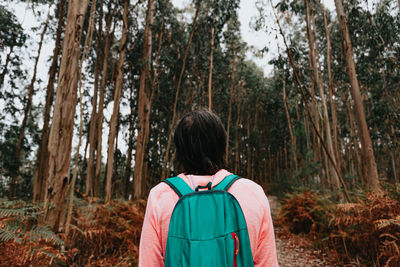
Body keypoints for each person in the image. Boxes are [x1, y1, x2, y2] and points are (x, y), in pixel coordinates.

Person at [138, 109, 278, 267]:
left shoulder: (160, 195)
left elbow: (149, 263)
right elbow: (267, 263)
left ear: (180, 149)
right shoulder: (253, 192)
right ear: (221, 145)